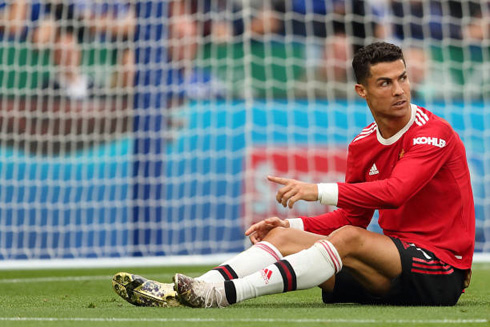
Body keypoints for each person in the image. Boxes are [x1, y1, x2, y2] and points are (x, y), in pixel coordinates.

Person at [112, 42, 475, 308]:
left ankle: (220, 296)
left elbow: (396, 192)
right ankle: (182, 291)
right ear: (361, 91)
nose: (399, 90)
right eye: (385, 83)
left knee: (348, 238)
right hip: (394, 270)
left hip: (440, 270)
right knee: (282, 237)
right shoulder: (363, 143)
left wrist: (316, 190)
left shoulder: (433, 131)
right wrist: (295, 227)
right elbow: (353, 217)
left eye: (403, 78)